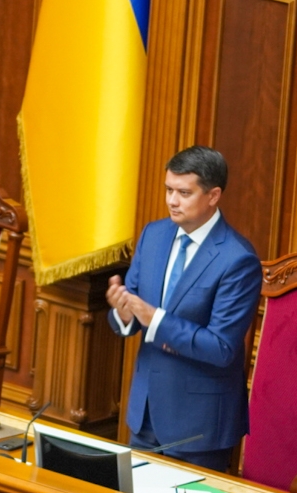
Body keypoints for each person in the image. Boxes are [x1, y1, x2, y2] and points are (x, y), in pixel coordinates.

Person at [106, 146, 262, 472]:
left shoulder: (238, 259)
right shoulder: (153, 235)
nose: (172, 201)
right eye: (169, 190)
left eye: (184, 193)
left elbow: (221, 347)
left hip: (198, 428)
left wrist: (155, 320)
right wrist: (124, 312)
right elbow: (133, 309)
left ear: (213, 195)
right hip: (145, 414)